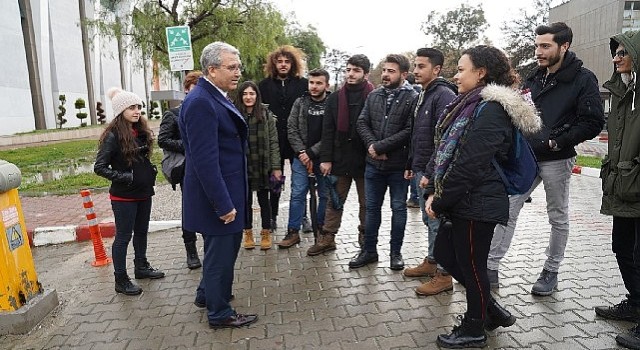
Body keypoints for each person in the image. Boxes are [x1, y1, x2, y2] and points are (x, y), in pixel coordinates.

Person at [424, 45, 540, 348]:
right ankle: (491, 309)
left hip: (479, 202)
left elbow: (469, 162)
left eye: (461, 69)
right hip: (468, 199)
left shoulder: (491, 109)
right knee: (449, 255)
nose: (456, 75)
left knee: (473, 266)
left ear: (481, 72)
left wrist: (440, 200)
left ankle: (474, 326)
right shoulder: (471, 103)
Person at [487, 22, 605, 295]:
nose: (538, 51)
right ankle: (490, 267)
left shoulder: (583, 79)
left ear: (564, 46)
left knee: (558, 216)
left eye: (545, 46)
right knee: (507, 208)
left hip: (557, 158)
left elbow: (592, 121)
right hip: (526, 158)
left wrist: (557, 141)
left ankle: (551, 271)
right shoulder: (534, 77)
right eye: (537, 45)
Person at [178, 41, 257, 328]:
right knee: (220, 256)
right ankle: (220, 313)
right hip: (219, 196)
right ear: (212, 70)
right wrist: (223, 204)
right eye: (231, 67)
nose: (238, 72)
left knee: (219, 252)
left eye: (238, 67)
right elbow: (204, 161)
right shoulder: (201, 102)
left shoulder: (212, 95)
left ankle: (206, 295)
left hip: (227, 189)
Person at [94, 87, 165, 296]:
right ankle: (121, 279)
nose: (137, 111)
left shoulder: (140, 131)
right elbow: (100, 167)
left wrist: (148, 171)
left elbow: (140, 159)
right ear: (120, 110)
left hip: (144, 192)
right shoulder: (113, 136)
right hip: (123, 196)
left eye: (139, 107)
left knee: (142, 231)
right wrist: (127, 177)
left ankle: (141, 267)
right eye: (132, 107)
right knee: (123, 236)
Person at [350, 54, 418, 270]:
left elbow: (410, 130)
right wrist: (372, 146)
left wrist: (381, 147)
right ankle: (369, 251)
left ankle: (395, 253)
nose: (386, 74)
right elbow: (362, 122)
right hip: (374, 166)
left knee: (398, 209)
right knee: (371, 209)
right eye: (385, 70)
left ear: (404, 74)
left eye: (392, 71)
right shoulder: (375, 95)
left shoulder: (413, 97)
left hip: (398, 167)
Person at [596, 30, 640, 350]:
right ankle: (636, 302)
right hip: (622, 187)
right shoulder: (621, 92)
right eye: (615, 53)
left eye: (623, 52)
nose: (616, 58)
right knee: (621, 248)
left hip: (636, 182)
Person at [403, 48, 457, 296]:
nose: (415, 70)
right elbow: (418, 135)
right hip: (419, 169)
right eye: (415, 66)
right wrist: (411, 165)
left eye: (421, 66)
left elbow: (444, 140)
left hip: (433, 172)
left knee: (437, 222)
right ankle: (432, 261)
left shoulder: (443, 95)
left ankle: (444, 275)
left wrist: (430, 172)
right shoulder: (423, 94)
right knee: (428, 220)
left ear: (436, 69)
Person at [315, 54, 374, 256]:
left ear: (365, 73)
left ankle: (366, 241)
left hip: (366, 160)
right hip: (340, 159)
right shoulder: (335, 97)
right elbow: (327, 131)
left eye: (356, 70)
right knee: (334, 201)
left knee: (367, 204)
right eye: (348, 69)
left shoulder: (373, 96)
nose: (350, 74)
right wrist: (325, 159)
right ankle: (328, 238)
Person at [258, 45, 310, 231]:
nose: (283, 65)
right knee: (275, 181)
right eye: (279, 61)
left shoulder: (303, 84)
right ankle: (272, 216)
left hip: (297, 140)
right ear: (273, 63)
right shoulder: (263, 86)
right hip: (274, 141)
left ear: (293, 64)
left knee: (300, 181)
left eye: (287, 61)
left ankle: (303, 216)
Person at [277, 68, 330, 248]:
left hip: (324, 159)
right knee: (298, 193)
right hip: (300, 158)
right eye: (311, 82)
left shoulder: (332, 104)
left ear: (326, 85)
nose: (314, 87)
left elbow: (332, 133)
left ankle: (322, 231)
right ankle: (293, 232)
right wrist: (301, 152)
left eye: (318, 83)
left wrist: (312, 153)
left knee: (324, 195)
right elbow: (291, 128)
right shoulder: (300, 103)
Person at [157, 70, 203, 270]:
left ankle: (210, 245)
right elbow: (163, 140)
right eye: (194, 88)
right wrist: (188, 145)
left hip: (206, 165)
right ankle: (190, 250)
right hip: (186, 168)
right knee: (190, 207)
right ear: (186, 90)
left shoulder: (207, 110)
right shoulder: (173, 114)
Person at [235, 81, 282, 250]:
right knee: (245, 201)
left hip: (263, 163)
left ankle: (266, 232)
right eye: (245, 94)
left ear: (257, 95)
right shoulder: (234, 114)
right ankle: (247, 232)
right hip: (243, 164)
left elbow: (274, 142)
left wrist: (276, 167)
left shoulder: (266, 114)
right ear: (240, 96)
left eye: (252, 94)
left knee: (265, 200)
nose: (248, 97)